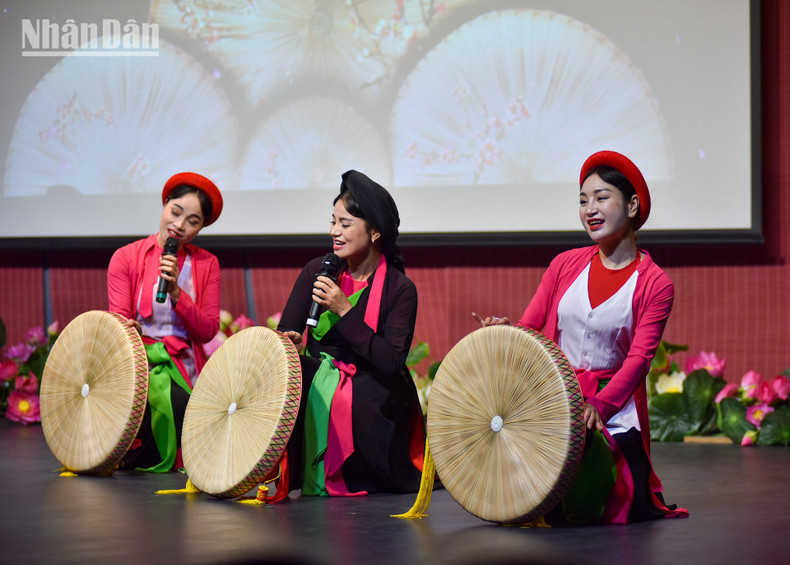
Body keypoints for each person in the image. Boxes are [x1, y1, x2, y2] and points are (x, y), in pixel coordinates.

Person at [473, 151, 688, 524]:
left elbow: (638, 360)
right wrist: (505, 331)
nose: (590, 208)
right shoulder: (564, 264)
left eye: (602, 198)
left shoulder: (656, 284)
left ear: (633, 204)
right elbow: (531, 326)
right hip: (555, 398)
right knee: (530, 495)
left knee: (615, 500)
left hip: (613, 410)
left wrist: (599, 407)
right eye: (583, 200)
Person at [277, 170, 424, 497]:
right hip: (320, 370)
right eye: (333, 222)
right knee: (294, 376)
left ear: (373, 231)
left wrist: (344, 310)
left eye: (345, 224)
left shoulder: (401, 290)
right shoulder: (318, 270)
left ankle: (360, 475)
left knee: (361, 398)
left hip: (374, 376)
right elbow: (287, 329)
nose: (334, 232)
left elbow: (391, 361)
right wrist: (291, 340)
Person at [107, 172, 222, 472]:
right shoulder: (126, 257)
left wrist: (176, 294)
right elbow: (119, 322)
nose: (180, 225)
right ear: (165, 205)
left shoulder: (207, 264)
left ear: (200, 228)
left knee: (197, 412)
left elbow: (208, 329)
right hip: (138, 361)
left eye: (193, 221)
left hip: (185, 363)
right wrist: (125, 327)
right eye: (176, 212)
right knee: (168, 406)